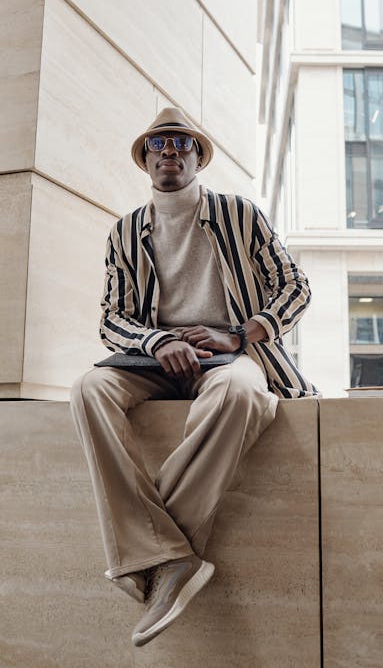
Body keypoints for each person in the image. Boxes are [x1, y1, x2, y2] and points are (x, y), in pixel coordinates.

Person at [70, 107, 319, 648]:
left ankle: (157, 557)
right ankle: (175, 559)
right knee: (89, 388)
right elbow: (111, 318)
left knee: (242, 392)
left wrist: (241, 334)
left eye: (181, 143)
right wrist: (158, 341)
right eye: (158, 144)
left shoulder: (239, 215)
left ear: (197, 157)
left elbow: (295, 287)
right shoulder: (126, 231)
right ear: (146, 159)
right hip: (154, 361)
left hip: (229, 356)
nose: (169, 152)